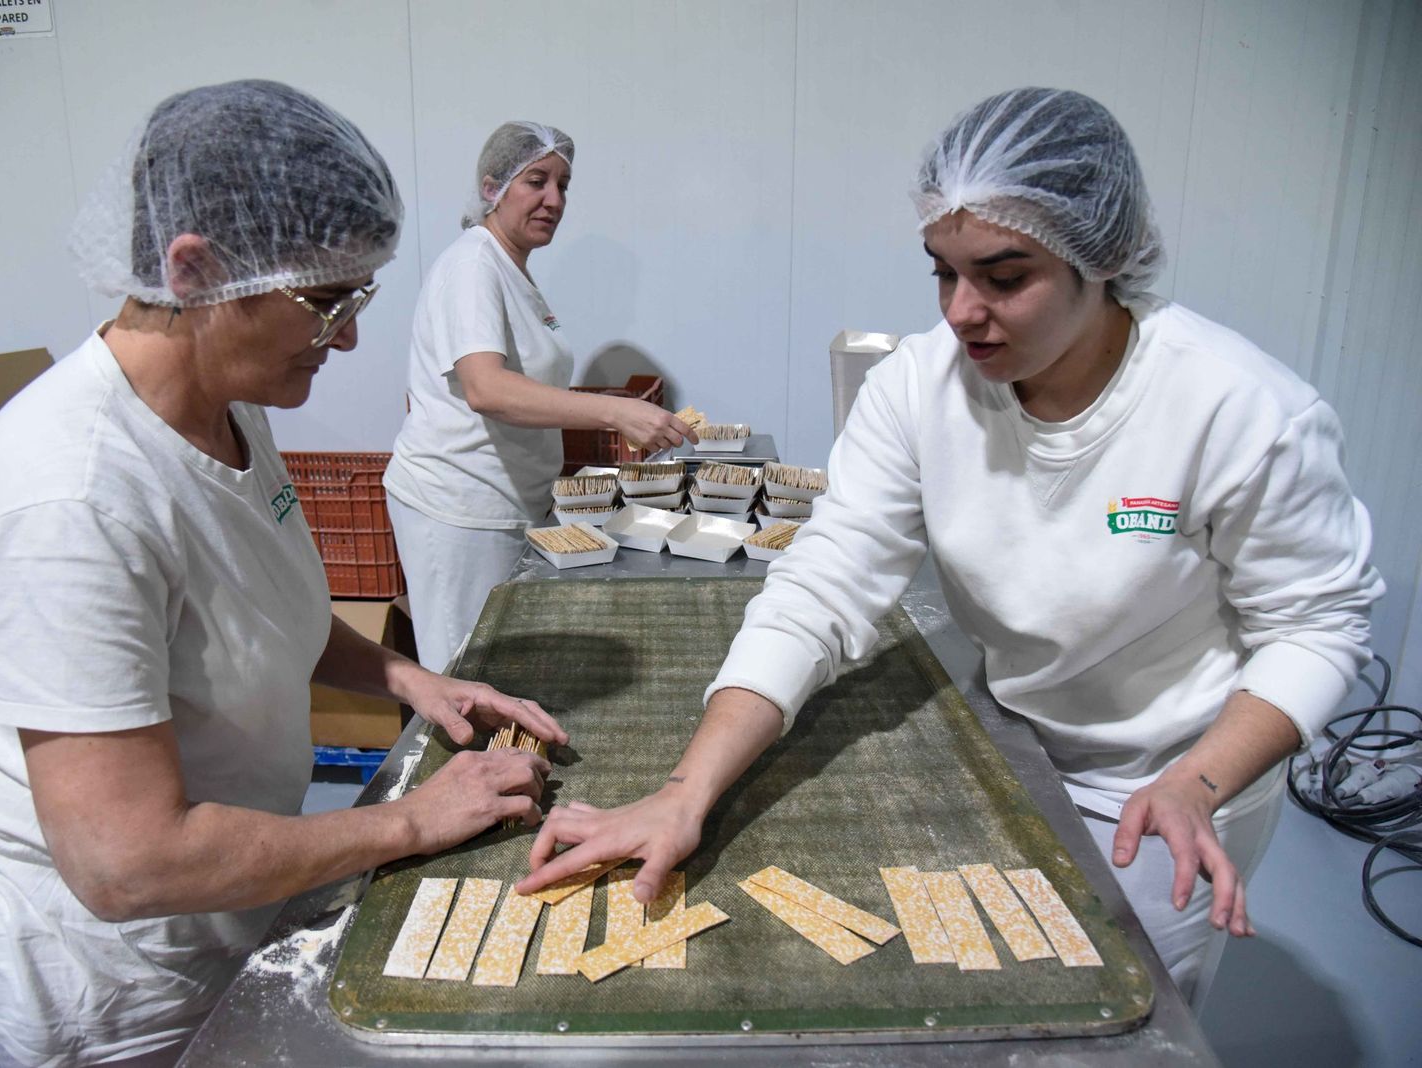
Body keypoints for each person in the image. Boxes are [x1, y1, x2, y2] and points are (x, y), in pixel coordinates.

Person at [518, 87, 1383, 1007]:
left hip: (1177, 778)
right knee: (1006, 992)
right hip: (1017, 742)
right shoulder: (921, 389)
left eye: (1005, 277)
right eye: (942, 271)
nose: (963, 311)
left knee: (1118, 1011)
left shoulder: (1238, 410)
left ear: (1104, 260)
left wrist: (1200, 781)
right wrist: (684, 791)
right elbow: (824, 585)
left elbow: (1319, 624)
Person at [0, 81, 563, 1068]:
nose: (347, 337)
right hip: (91, 984)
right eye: (327, 301)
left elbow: (264, 608)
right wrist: (412, 820)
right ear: (195, 270)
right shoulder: (70, 496)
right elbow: (126, 863)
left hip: (207, 921)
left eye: (360, 298)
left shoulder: (231, 405)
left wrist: (407, 678)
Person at [384, 121, 698, 671]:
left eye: (563, 185)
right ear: (492, 188)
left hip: (507, 501)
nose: (553, 199)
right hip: (460, 507)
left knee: (495, 671)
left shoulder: (511, 273)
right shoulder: (472, 265)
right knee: (463, 674)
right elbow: (486, 388)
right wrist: (615, 410)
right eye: (536, 181)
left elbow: (521, 384)